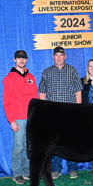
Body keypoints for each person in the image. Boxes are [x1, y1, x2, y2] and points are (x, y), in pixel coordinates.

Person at [38, 46, 82, 179]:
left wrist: (78, 109)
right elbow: (42, 92)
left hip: (70, 112)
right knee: (55, 142)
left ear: (65, 57)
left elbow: (78, 91)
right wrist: (44, 112)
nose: (58, 57)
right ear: (53, 57)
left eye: (61, 55)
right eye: (56, 55)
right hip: (53, 114)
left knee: (71, 141)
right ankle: (56, 169)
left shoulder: (72, 70)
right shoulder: (46, 72)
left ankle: (72, 168)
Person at [3, 50, 38, 185]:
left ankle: (26, 171)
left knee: (29, 145)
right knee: (18, 146)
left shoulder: (31, 77)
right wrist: (11, 121)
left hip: (31, 118)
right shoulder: (9, 78)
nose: (21, 60)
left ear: (27, 60)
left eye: (24, 58)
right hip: (18, 117)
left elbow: (35, 99)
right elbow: (6, 102)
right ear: (15, 60)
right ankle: (17, 173)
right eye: (19, 58)